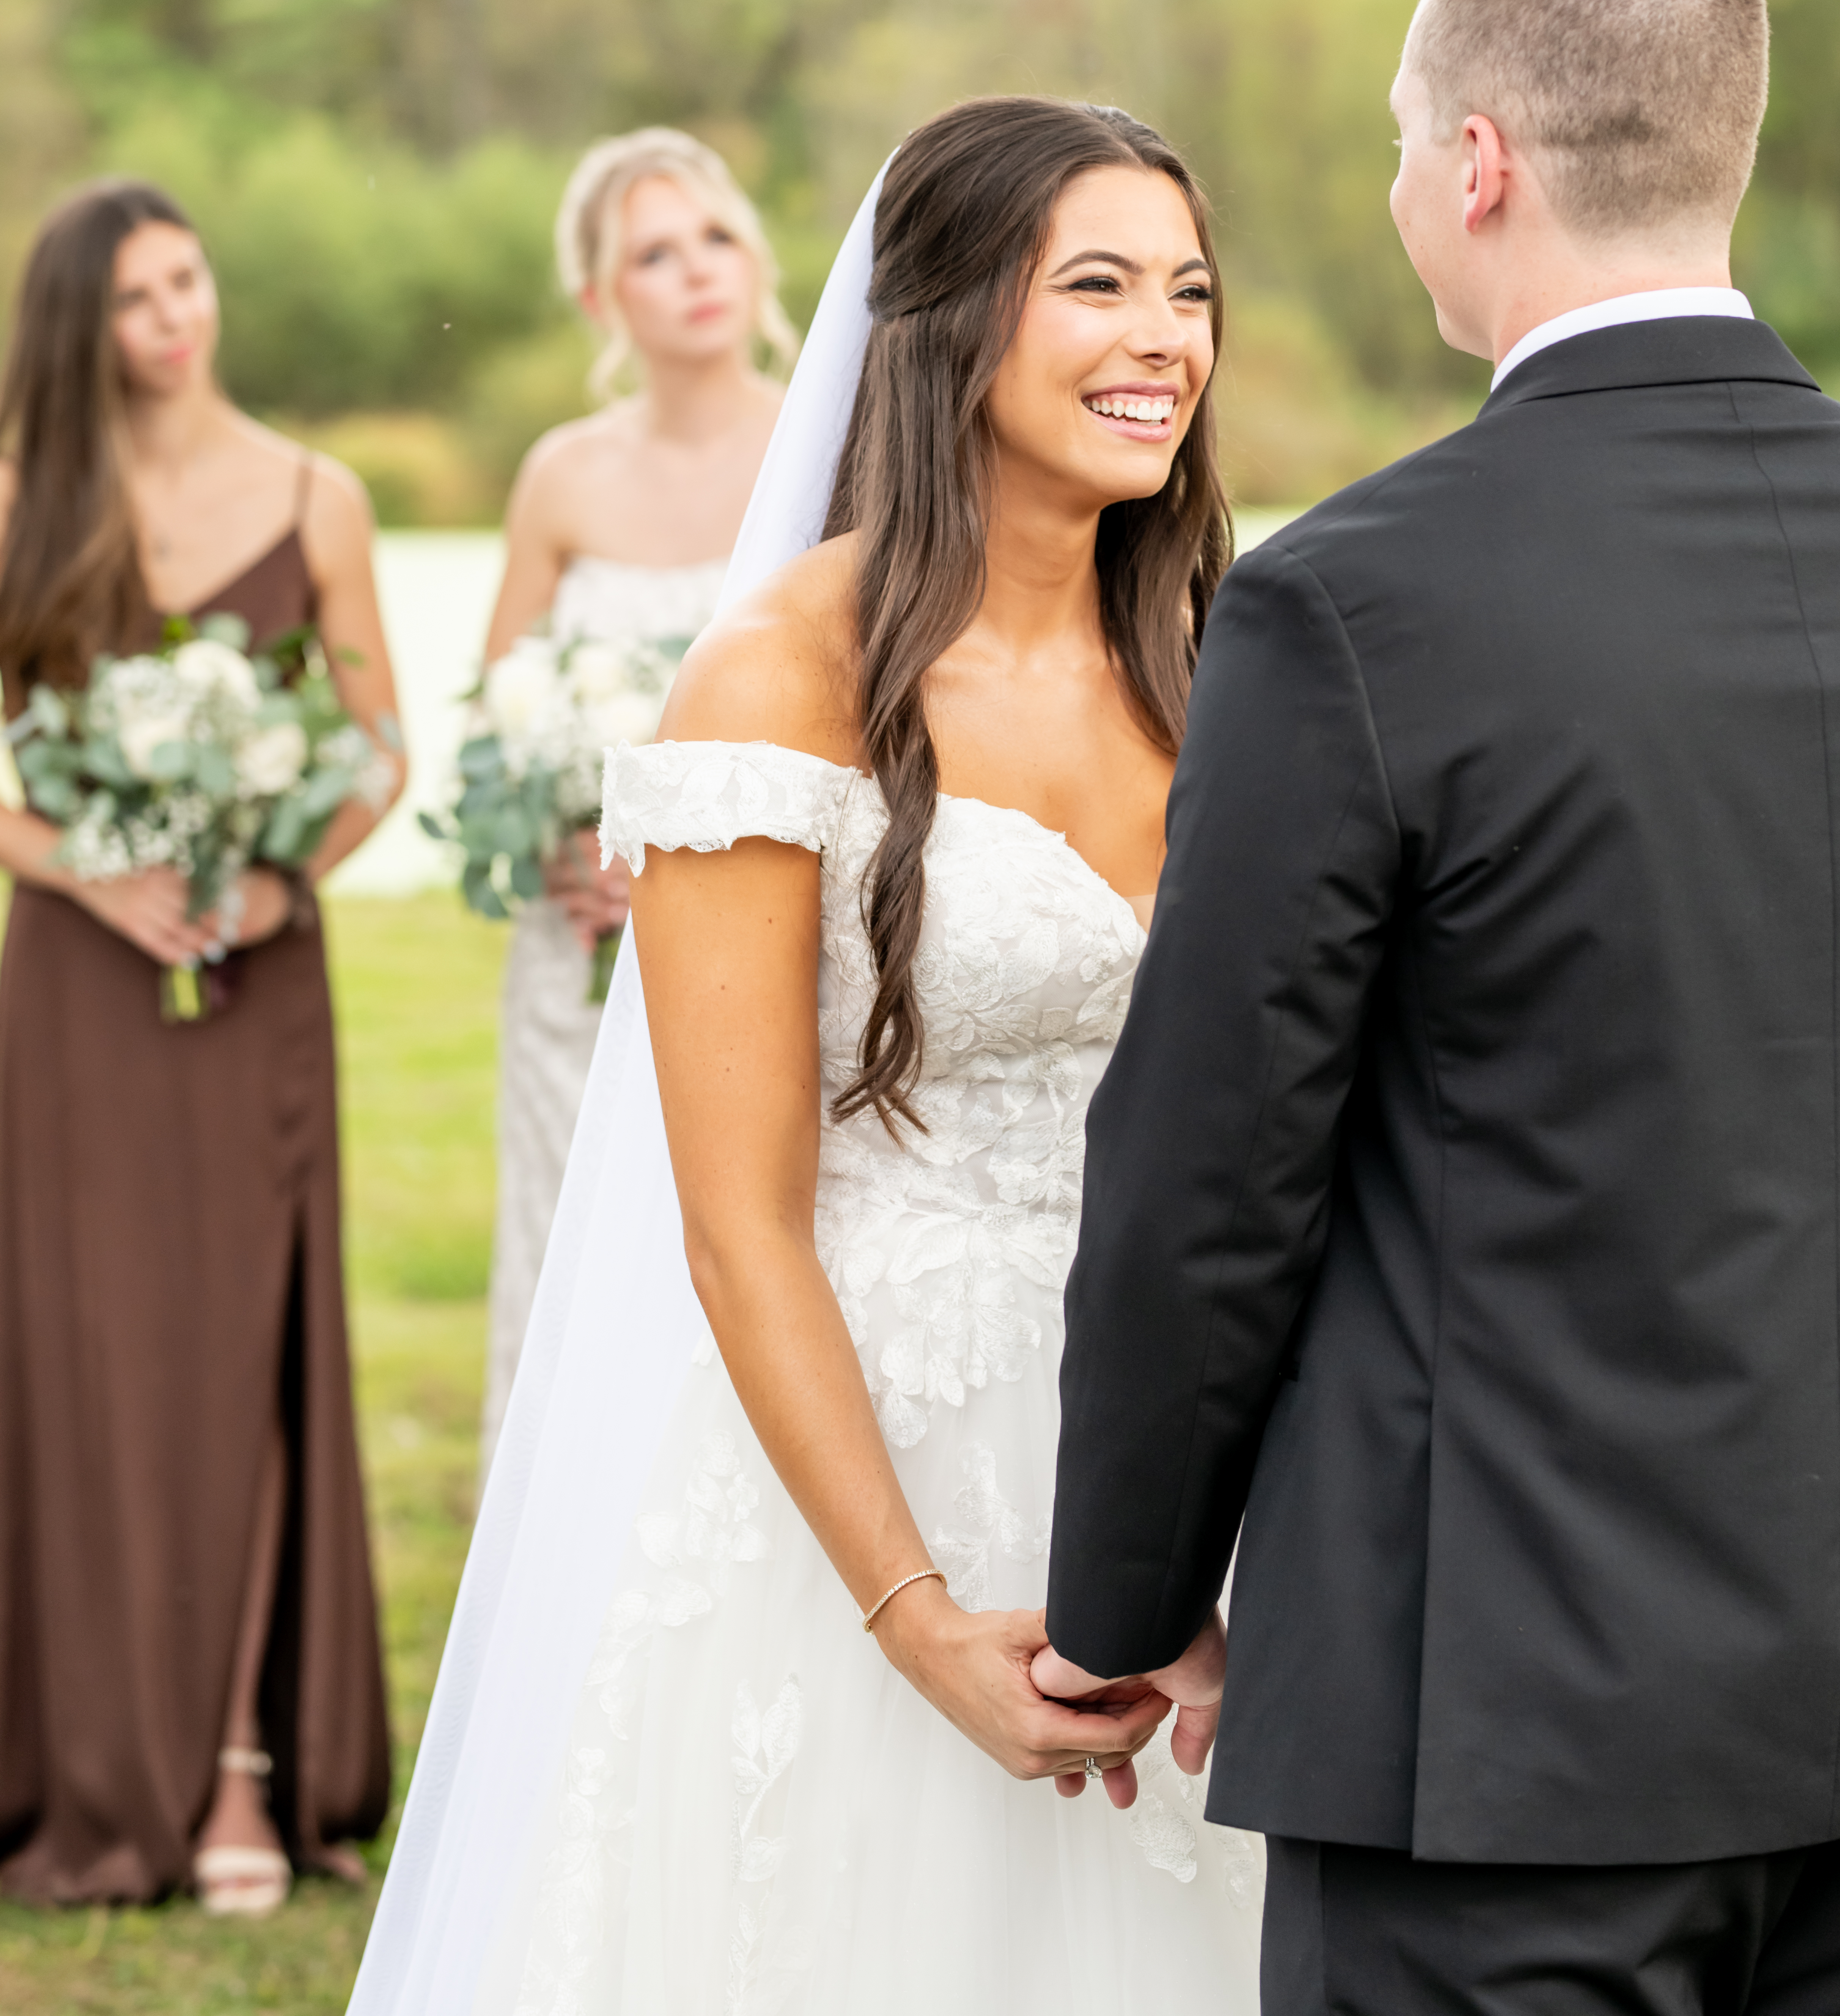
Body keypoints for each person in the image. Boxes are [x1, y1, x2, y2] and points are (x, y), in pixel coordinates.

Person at [1042, 0, 1840, 2016]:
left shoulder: (1354, 601)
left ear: (1479, 163)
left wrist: (1124, 1601)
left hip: (1504, 1732)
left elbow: (1211, 1177)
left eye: (1397, 142)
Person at [349, 97, 1256, 2016]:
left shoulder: (1216, 656)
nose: (1161, 339)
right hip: (864, 1467)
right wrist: (913, 1622)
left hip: (1169, 1454)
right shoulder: (779, 677)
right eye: (1097, 285)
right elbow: (737, 1226)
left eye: (1187, 291)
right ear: (948, 320)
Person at [0, 178, 404, 1915]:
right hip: (76, 989)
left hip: (254, 982)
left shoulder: (318, 497)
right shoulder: (20, 497)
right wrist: (85, 871)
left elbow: (377, 749)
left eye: (188, 281)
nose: (177, 319)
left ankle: (241, 1763)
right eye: (137, 298)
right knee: (89, 1357)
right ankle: (89, 1749)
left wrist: (273, 881)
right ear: (81, 328)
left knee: (243, 1348)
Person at [475, 130, 793, 1468]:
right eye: (655, 254)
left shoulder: (828, 446)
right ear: (601, 298)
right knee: (574, 1240)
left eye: (716, 237)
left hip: (773, 934)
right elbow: (495, 711)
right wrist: (561, 832)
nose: (697, 271)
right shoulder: (563, 474)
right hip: (586, 943)